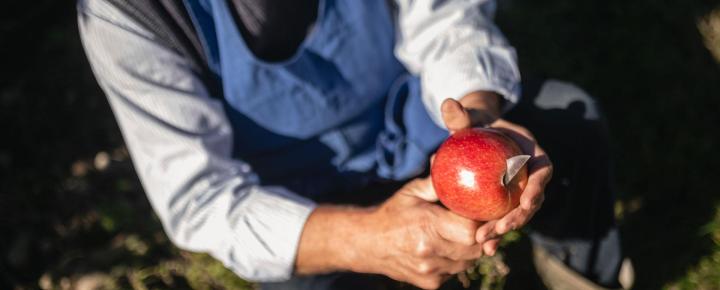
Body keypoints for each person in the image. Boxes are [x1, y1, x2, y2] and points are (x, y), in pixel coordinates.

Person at [78, 0, 630, 289]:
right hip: (301, 202)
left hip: (421, 123)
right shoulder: (127, 13)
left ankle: (580, 275)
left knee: (569, 123)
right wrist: (367, 240)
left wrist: (479, 120)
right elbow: (199, 198)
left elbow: (444, 18)